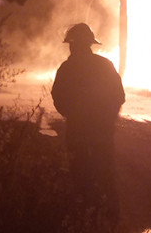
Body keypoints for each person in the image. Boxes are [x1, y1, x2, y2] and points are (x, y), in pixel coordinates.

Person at [51, 23, 125, 219]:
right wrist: (107, 120)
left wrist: (72, 115)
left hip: (77, 132)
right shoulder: (105, 65)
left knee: (80, 175)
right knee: (106, 174)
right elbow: (119, 96)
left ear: (73, 45)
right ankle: (109, 222)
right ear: (90, 44)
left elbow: (58, 97)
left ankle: (84, 220)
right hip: (102, 133)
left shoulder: (67, 68)